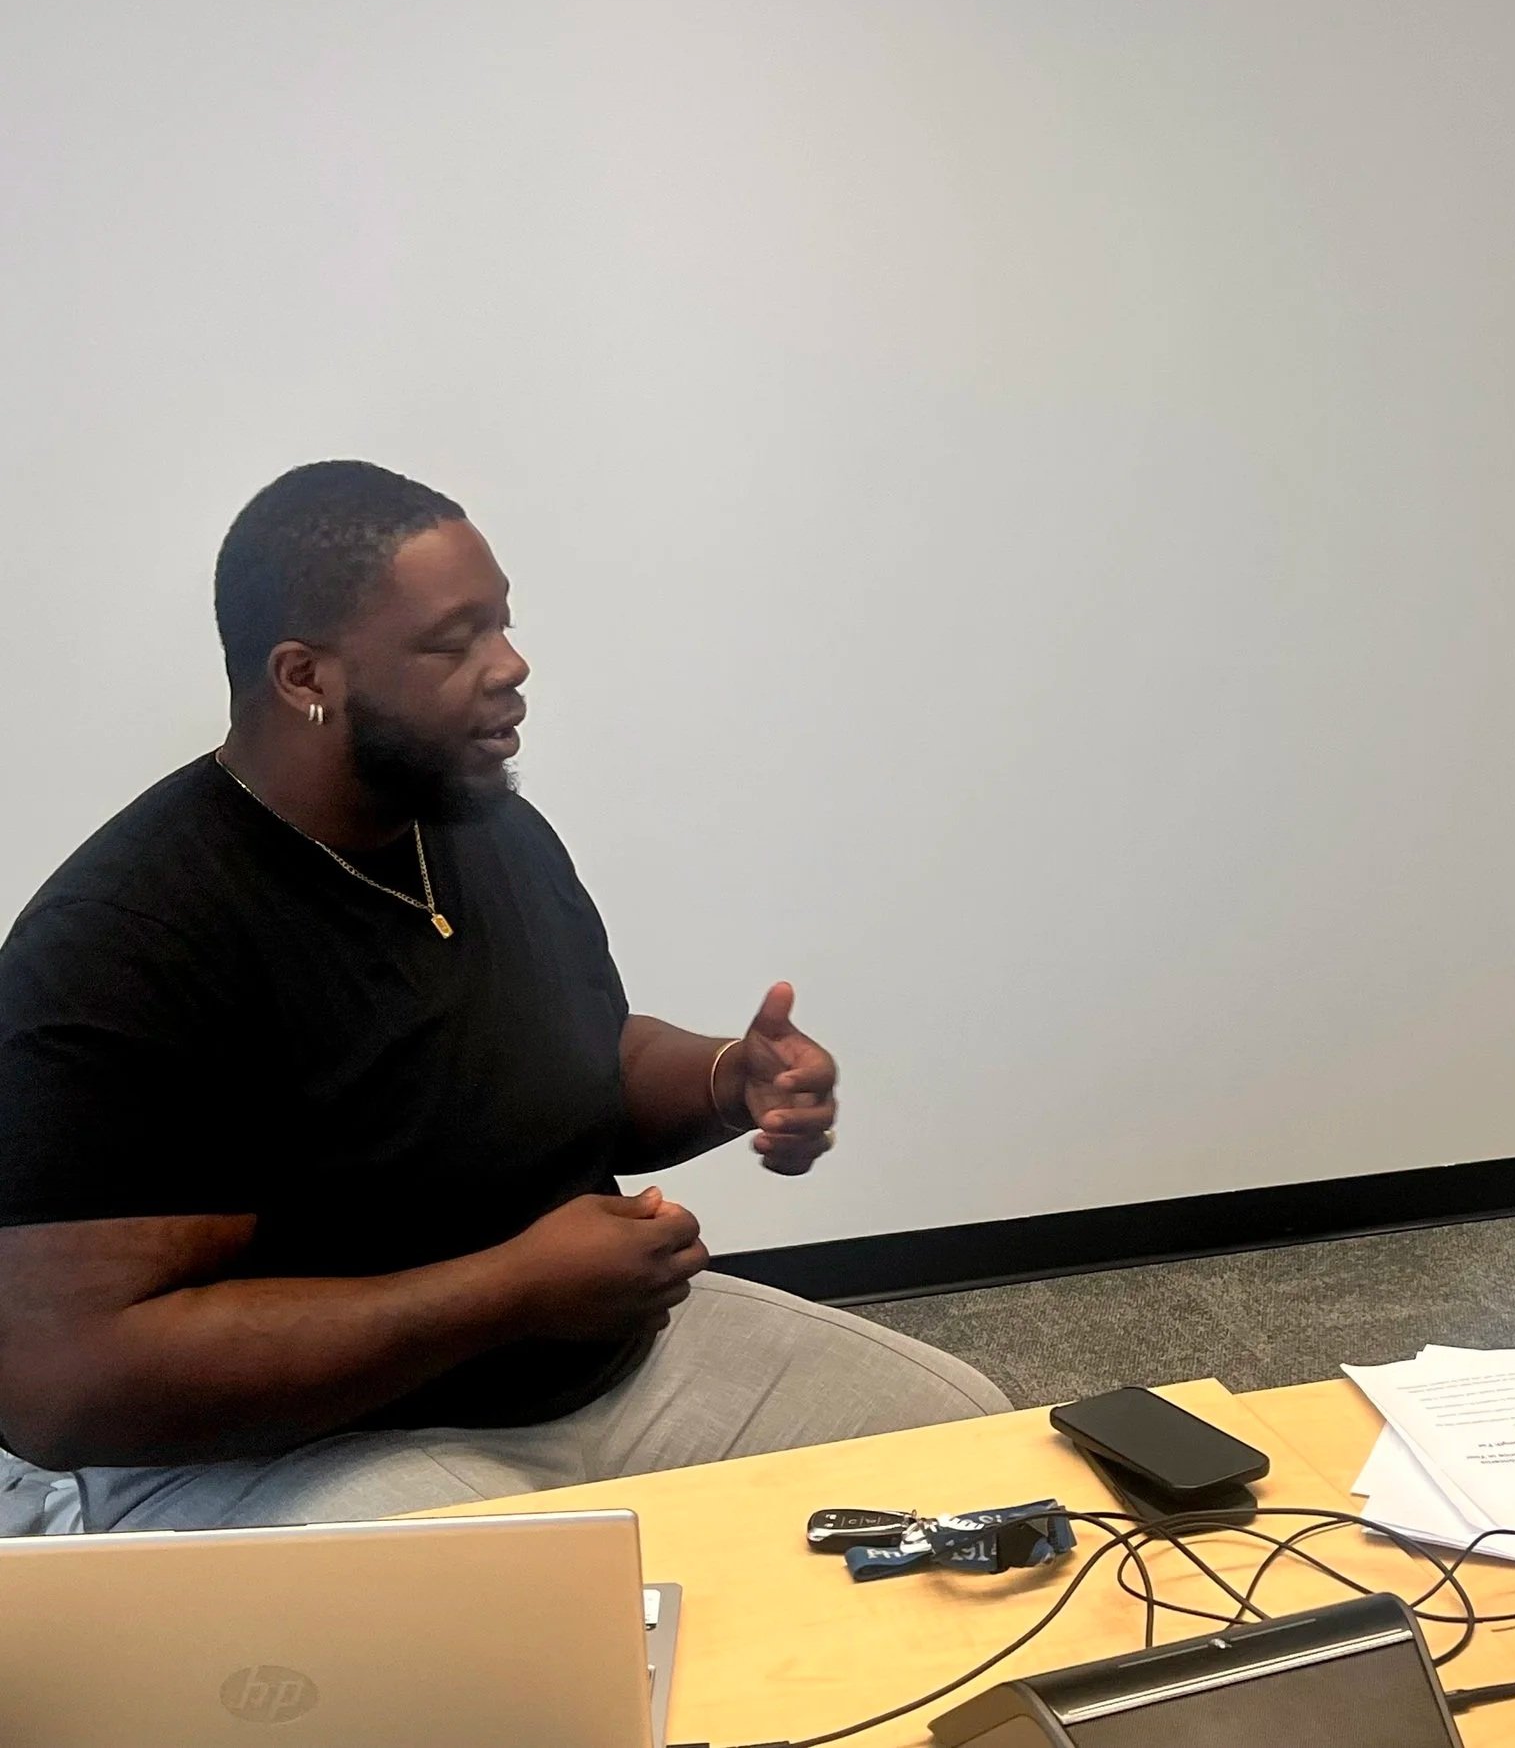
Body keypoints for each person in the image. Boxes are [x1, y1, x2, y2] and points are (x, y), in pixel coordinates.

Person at [0, 461, 1008, 1531]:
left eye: (504, 626)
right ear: (305, 676)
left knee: (976, 1463)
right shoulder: (128, 942)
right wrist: (512, 1290)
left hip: (588, 1370)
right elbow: (63, 1385)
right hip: (307, 1442)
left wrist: (728, 1080)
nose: (511, 666)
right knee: (539, 1648)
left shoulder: (484, 831)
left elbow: (573, 1064)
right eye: (454, 642)